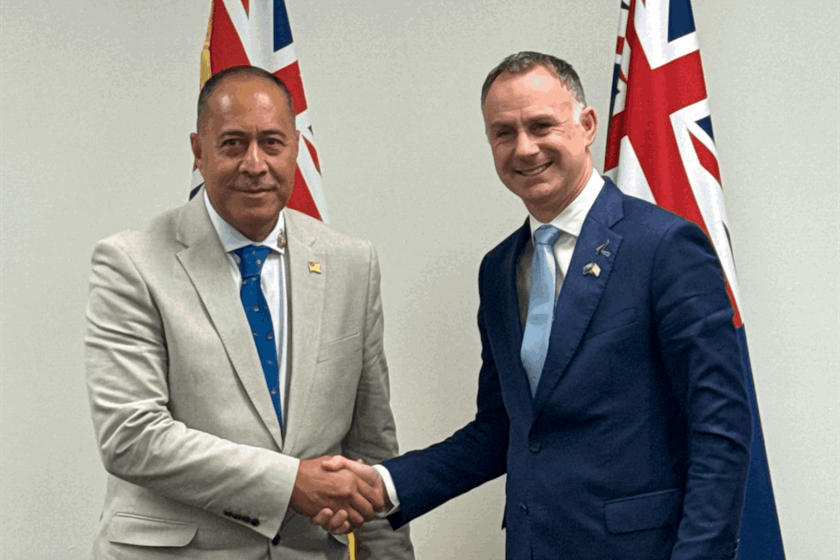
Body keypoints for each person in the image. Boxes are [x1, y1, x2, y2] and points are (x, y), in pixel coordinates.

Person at [317, 52, 752, 560]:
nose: (524, 148)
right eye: (504, 133)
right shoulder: (499, 269)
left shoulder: (664, 247)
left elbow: (719, 427)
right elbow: (504, 427)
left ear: (587, 125)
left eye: (541, 125)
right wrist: (385, 484)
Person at [85, 65, 414, 559]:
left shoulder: (352, 263)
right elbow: (131, 437)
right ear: (199, 151)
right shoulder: (131, 262)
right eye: (233, 144)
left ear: (296, 148)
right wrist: (289, 483)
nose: (254, 163)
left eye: (272, 143)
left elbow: (371, 445)